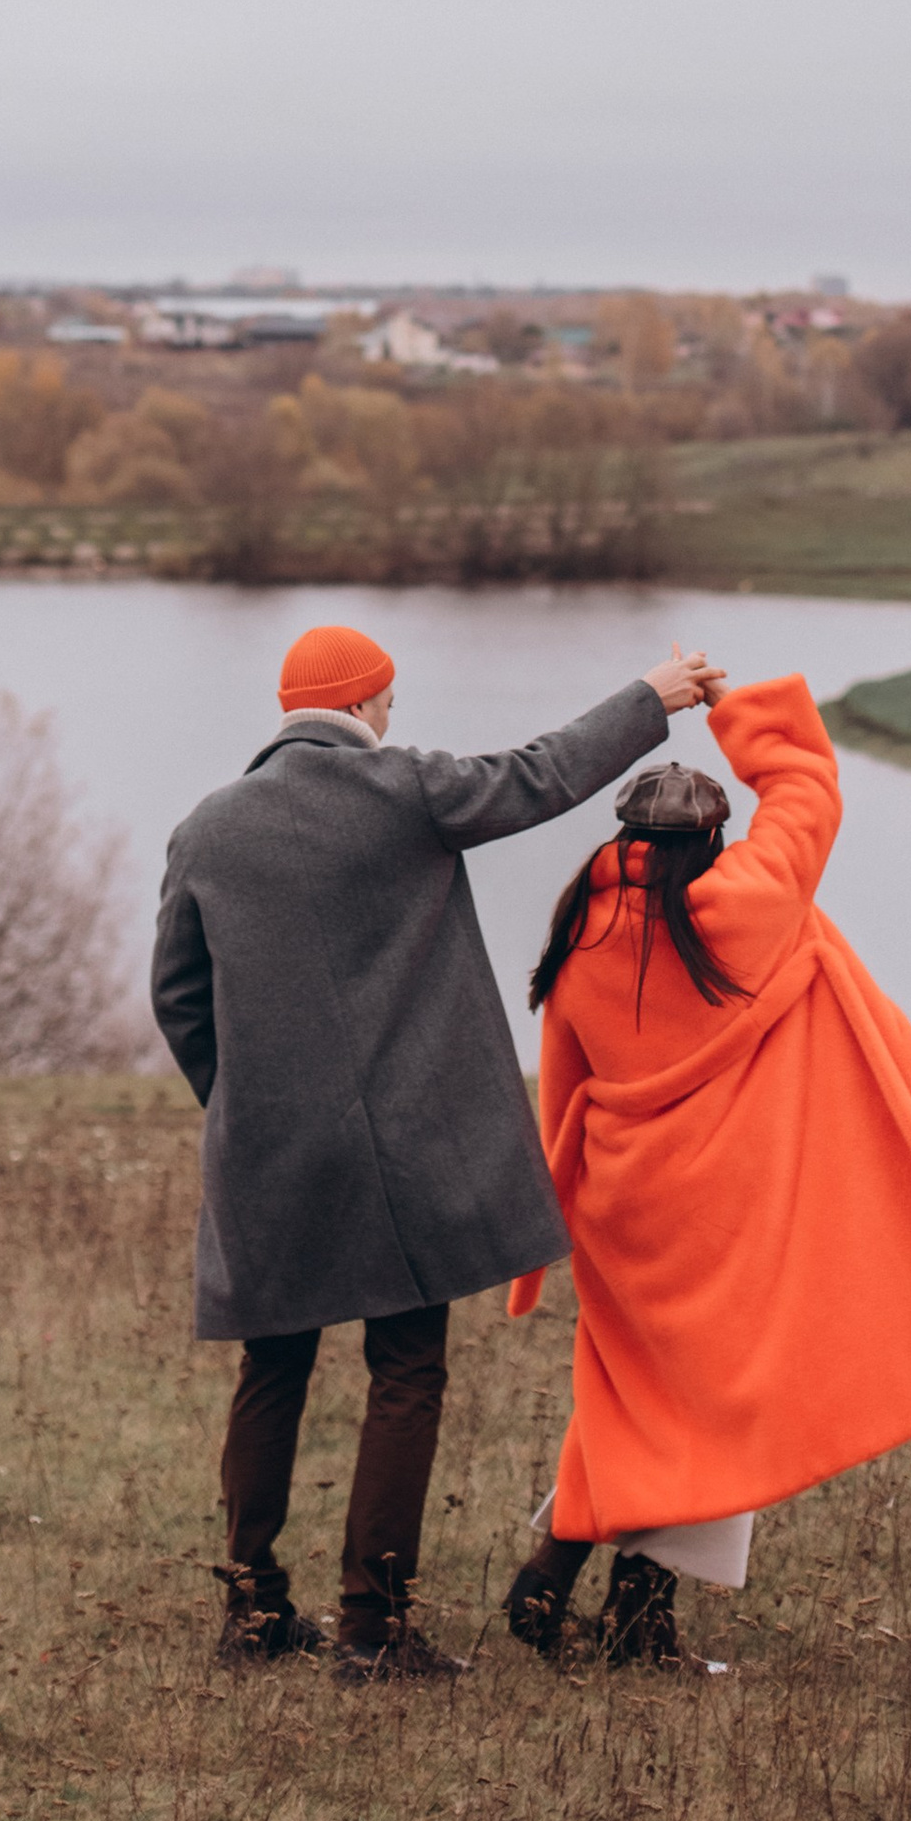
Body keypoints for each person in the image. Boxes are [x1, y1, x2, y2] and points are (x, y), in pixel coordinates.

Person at [503, 673, 911, 1665]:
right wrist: (736, 705)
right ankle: (627, 1620)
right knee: (710, 1414)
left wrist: (547, 1230)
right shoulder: (753, 901)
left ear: (622, 836)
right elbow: (807, 789)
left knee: (631, 1397)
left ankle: (555, 1593)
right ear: (709, 839)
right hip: (728, 1210)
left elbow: (561, 1086)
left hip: (625, 1207)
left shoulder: (575, 934)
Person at [151, 618, 726, 1681]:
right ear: (371, 705)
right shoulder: (404, 789)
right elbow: (542, 774)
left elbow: (177, 997)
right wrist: (653, 697)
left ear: (288, 714)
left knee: (271, 1367)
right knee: (402, 1370)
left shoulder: (206, 829)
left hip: (265, 1152)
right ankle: (373, 1630)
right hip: (400, 1158)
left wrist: (241, 1104)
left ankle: (252, 1612)